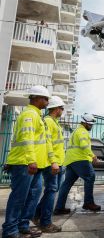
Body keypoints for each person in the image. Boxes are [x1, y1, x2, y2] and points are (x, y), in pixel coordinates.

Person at [2, 85, 54, 238]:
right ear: (37, 99)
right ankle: (10, 230)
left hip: (35, 165)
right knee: (19, 198)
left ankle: (23, 226)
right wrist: (31, 160)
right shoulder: (29, 115)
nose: (47, 102)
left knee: (33, 196)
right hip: (25, 163)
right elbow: (27, 139)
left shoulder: (37, 116)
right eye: (45, 99)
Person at [54, 114, 101, 214]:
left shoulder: (76, 130)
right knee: (90, 177)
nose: (91, 126)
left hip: (71, 160)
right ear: (85, 123)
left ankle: (59, 207)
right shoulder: (82, 131)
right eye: (90, 124)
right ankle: (88, 203)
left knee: (66, 184)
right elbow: (84, 146)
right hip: (80, 159)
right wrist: (93, 155)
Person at [33, 96, 65, 233]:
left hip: (58, 162)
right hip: (53, 163)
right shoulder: (48, 121)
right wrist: (54, 162)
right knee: (51, 190)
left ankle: (37, 214)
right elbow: (48, 144)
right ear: (57, 109)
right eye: (62, 108)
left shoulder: (54, 122)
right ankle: (45, 223)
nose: (63, 111)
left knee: (52, 190)